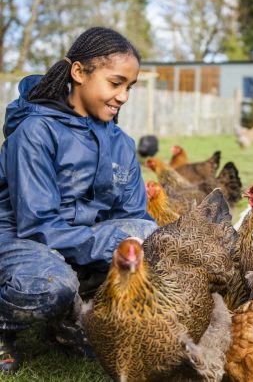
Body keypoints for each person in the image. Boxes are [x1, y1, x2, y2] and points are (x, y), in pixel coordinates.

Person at [0, 27, 158, 372]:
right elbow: (38, 224)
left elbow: (134, 217)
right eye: (115, 83)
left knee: (155, 241)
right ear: (79, 73)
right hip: (22, 237)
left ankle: (71, 317)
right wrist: (112, 245)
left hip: (81, 237)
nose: (123, 97)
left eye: (129, 87)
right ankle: (6, 328)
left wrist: (134, 243)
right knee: (48, 286)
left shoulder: (121, 143)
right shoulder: (35, 132)